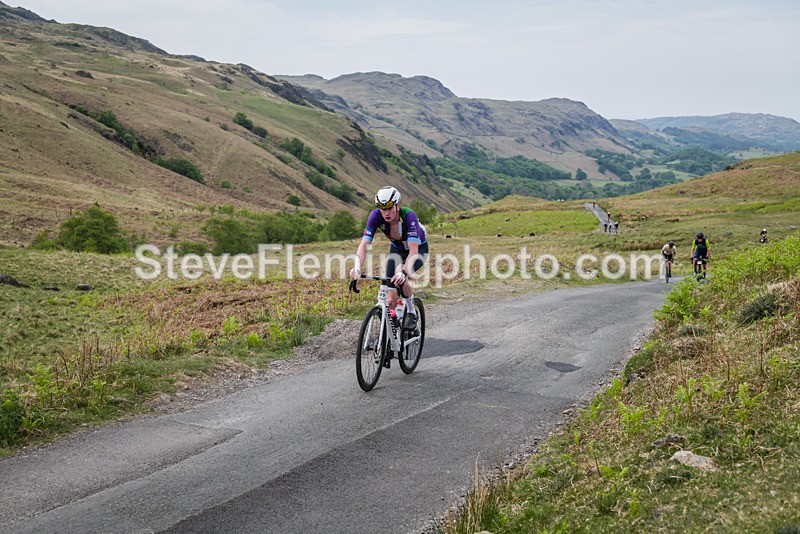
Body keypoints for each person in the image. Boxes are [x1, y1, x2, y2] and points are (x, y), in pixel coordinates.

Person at [350, 186, 428, 331]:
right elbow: (364, 245)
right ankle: (390, 333)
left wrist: (403, 272)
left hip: (418, 250)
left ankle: (411, 312)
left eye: (389, 208)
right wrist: (356, 267)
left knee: (401, 274)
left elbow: (413, 250)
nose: (385, 213)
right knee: (390, 299)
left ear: (397, 205)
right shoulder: (375, 216)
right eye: (382, 208)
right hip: (397, 249)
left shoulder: (408, 216)